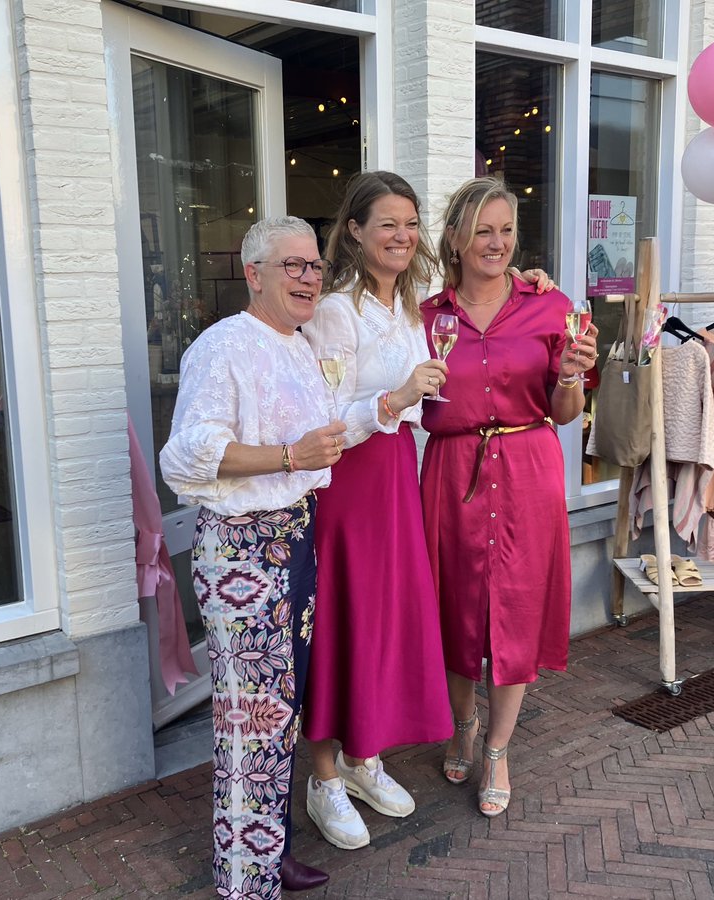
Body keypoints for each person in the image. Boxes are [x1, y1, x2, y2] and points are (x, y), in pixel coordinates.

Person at [298, 171, 558, 850]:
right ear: (353, 231)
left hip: (398, 477)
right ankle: (324, 776)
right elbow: (322, 419)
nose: (400, 235)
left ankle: (364, 759)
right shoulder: (337, 311)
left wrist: (531, 282)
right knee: (340, 621)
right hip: (351, 481)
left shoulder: (416, 305)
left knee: (383, 621)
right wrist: (393, 401)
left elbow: (496, 307)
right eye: (386, 223)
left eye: (409, 223)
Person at [158, 216, 346, 897]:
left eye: (315, 266)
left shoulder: (299, 343)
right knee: (250, 716)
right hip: (244, 549)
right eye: (292, 265)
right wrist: (291, 457)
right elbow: (186, 453)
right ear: (254, 274)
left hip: (294, 534)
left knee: (282, 705)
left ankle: (273, 851)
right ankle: (245, 879)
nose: (308, 277)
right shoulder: (224, 347)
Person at [419, 177, 598, 817]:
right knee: (455, 604)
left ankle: (497, 747)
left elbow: (567, 411)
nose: (496, 243)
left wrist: (573, 376)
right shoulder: (427, 316)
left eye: (505, 230)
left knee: (517, 609)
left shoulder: (551, 307)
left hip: (528, 465)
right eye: (482, 231)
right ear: (456, 240)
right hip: (452, 470)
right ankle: (463, 722)